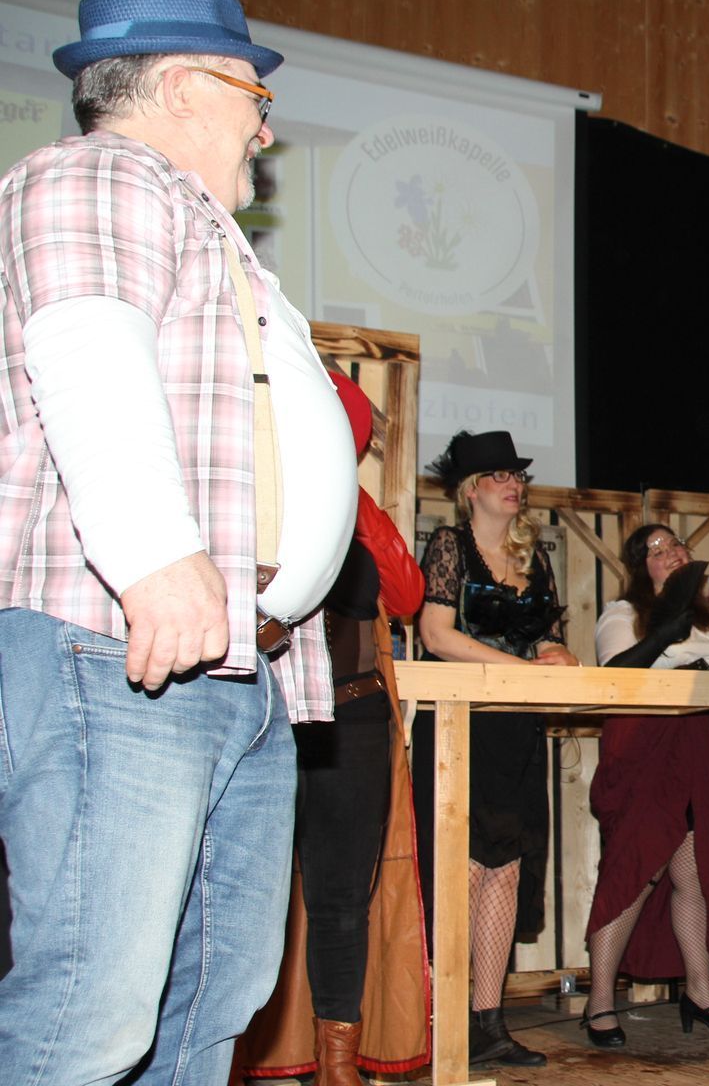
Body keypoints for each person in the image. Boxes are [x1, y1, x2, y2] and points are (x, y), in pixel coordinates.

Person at [0, 0, 357, 1086]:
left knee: (211, 1000)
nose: (266, 128)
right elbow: (87, 350)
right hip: (120, 641)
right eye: (257, 97)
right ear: (186, 86)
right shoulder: (101, 172)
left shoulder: (212, 233)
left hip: (233, 660)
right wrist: (155, 556)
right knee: (93, 1013)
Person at [237, 373, 430, 1085]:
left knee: (342, 897)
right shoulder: (256, 494)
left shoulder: (355, 508)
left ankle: (337, 1065)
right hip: (270, 710)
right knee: (247, 889)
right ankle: (232, 1055)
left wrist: (351, 499)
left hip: (352, 720)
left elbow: (407, 595)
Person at [414, 430, 577, 1067]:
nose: (515, 486)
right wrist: (519, 668)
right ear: (472, 489)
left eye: (519, 477)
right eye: (501, 476)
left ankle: (490, 1023)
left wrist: (555, 656)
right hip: (462, 725)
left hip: (517, 728)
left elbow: (546, 637)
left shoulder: (534, 556)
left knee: (506, 868)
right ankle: (444, 1019)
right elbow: (436, 634)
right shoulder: (449, 544)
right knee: (463, 866)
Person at [585, 524, 709, 1044]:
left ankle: (701, 993)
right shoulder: (623, 615)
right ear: (642, 567)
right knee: (637, 870)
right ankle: (599, 1001)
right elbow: (615, 676)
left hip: (705, 750)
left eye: (676, 544)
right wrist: (662, 635)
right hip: (646, 749)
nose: (672, 552)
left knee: (693, 875)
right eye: (657, 550)